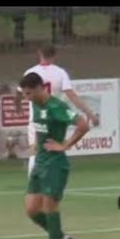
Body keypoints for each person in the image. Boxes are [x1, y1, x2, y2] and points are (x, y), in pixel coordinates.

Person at [19, 72, 90, 239]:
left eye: (28, 94)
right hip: (40, 162)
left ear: (40, 88)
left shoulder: (57, 107)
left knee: (50, 208)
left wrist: (65, 145)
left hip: (55, 165)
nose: (26, 98)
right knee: (32, 210)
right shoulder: (36, 104)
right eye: (25, 94)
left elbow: (83, 125)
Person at [16, 44, 99, 177]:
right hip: (56, 118)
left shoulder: (30, 72)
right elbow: (71, 95)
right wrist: (90, 114)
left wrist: (17, 106)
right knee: (53, 150)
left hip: (37, 118)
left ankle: (35, 184)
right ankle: (49, 184)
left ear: (39, 53)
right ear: (54, 55)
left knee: (36, 150)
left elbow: (19, 93)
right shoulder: (60, 72)